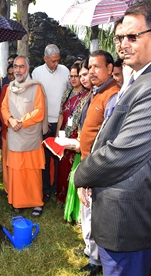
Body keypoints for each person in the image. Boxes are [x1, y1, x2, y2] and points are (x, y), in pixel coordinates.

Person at [74, 0, 151, 276]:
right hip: (125, 212)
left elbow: (122, 153)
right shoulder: (143, 77)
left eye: (132, 37)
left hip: (130, 219)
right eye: (119, 38)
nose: (122, 44)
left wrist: (82, 174)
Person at [77, 50, 120, 276]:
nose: (92, 71)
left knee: (95, 217)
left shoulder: (113, 95)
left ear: (110, 69)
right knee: (88, 214)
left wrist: (92, 173)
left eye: (97, 67)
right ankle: (91, 254)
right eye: (89, 67)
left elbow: (109, 139)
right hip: (87, 163)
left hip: (98, 168)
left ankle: (98, 262)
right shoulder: (97, 92)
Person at [1, 55, 48, 217]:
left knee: (32, 172)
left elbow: (39, 111)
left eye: (21, 67)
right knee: (16, 172)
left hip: (30, 137)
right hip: (14, 135)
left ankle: (36, 203)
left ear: (27, 69)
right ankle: (18, 202)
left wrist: (21, 121)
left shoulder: (36, 87)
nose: (18, 70)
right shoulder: (9, 88)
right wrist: (10, 120)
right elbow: (4, 108)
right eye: (16, 66)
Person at [32, 44, 70, 202]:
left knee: (59, 156)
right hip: (44, 122)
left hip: (61, 122)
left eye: (58, 60)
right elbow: (35, 98)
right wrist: (43, 121)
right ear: (45, 59)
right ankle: (46, 189)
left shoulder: (65, 71)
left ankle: (57, 189)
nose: (56, 64)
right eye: (53, 61)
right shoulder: (37, 73)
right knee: (45, 158)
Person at [55, 63, 89, 204]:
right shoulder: (67, 93)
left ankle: (72, 202)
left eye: (77, 76)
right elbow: (61, 114)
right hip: (64, 134)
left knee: (72, 169)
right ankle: (61, 198)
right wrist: (57, 133)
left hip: (76, 137)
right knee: (62, 167)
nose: (74, 79)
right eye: (72, 76)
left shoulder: (87, 95)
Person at [63, 58, 92, 224]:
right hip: (79, 140)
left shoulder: (92, 95)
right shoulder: (72, 94)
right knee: (76, 176)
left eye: (83, 75)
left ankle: (82, 216)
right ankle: (77, 214)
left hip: (87, 144)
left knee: (81, 176)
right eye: (78, 75)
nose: (81, 79)